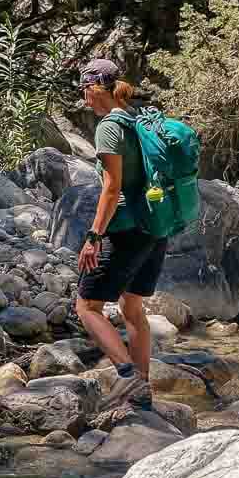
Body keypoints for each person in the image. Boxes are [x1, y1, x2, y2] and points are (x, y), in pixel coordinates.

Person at [74, 58, 168, 411]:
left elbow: (111, 188)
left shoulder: (110, 127)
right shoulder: (137, 119)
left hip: (127, 228)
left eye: (84, 89)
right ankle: (142, 389)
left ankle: (127, 374)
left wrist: (94, 236)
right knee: (132, 306)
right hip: (155, 225)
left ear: (95, 88)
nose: (84, 98)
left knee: (87, 307)